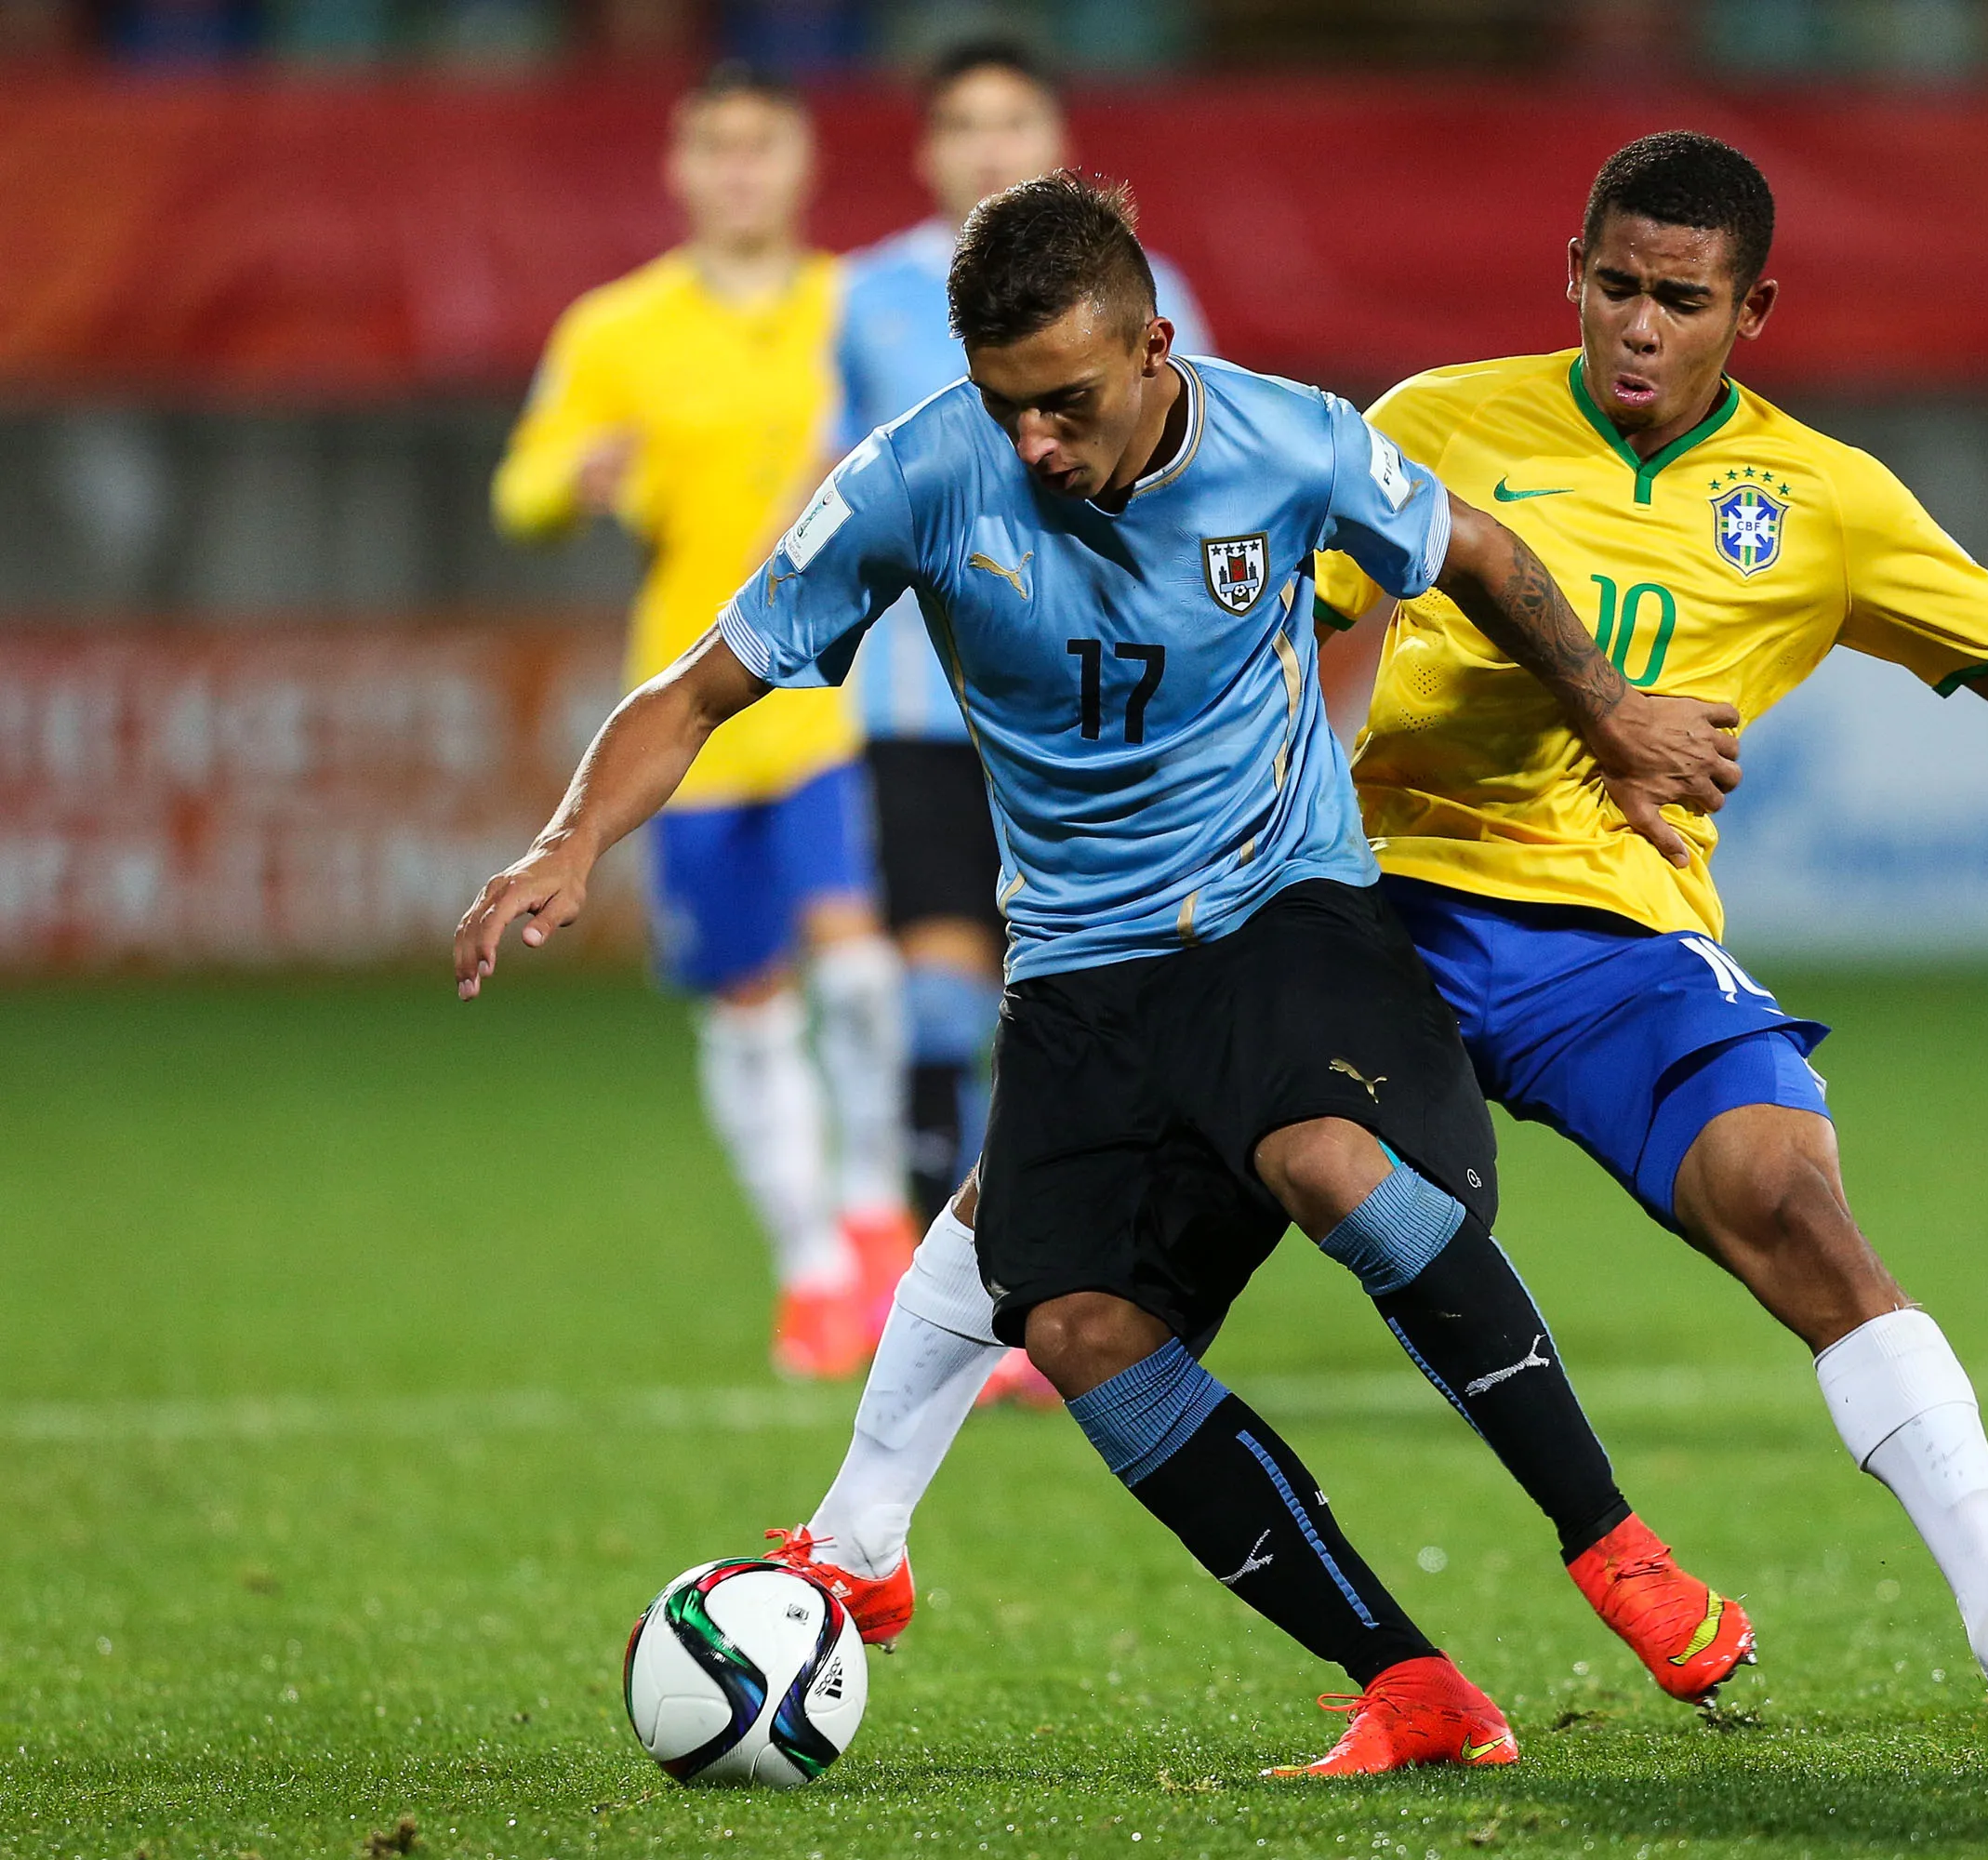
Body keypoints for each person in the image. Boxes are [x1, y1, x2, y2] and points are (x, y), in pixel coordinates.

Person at [760, 133, 1988, 1758]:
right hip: (1369, 902)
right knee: (1046, 1218)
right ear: (1572, 276)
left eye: (1681, 300)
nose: (1639, 325)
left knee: (1791, 1202)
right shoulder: (1435, 421)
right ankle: (859, 1537)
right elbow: (1255, 614)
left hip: (1611, 934)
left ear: (1752, 311)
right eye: (1615, 285)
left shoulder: (1829, 502)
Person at [456, 173, 1751, 1774]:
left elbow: (1477, 549)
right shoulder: (917, 477)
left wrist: (1609, 710)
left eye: (1066, 403)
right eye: (1005, 404)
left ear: (1152, 349)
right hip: (1080, 968)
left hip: (1286, 913)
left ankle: (1611, 1542)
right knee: (1074, 1330)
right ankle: (1412, 1685)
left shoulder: (1288, 442)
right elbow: (699, 686)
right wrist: (570, 839)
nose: (1035, 444)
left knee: (1327, 1159)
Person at [490, 61, 912, 1382]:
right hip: (693, 706)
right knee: (747, 1002)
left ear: (803, 163)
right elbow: (521, 489)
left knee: (861, 965)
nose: (739, 171)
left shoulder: (857, 305)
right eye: (715, 148)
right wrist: (573, 478)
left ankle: (877, 1219)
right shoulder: (620, 328)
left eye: (761, 145)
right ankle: (811, 1273)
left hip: (840, 696)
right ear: (680, 169)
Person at [828, 37, 1216, 1411]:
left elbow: (1199, 478)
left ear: (1058, 140)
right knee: (940, 1006)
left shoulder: (1150, 299)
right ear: (926, 149)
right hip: (928, 709)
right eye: (963, 124)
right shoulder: (863, 297)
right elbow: (836, 482)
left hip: (1104, 716)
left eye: (1014, 121)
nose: (989, 146)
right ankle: (967, 1309)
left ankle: (1087, 1283)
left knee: (1086, 1021)